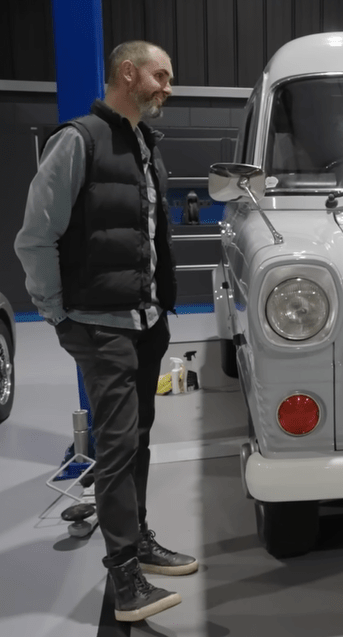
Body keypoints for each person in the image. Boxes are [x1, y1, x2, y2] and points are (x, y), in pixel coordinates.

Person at [15, 41, 197, 622]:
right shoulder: (79, 141)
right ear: (127, 72)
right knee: (117, 447)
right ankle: (125, 577)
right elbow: (35, 237)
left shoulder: (144, 144)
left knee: (138, 436)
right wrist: (56, 314)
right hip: (98, 324)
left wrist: (159, 310)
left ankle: (138, 537)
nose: (168, 85)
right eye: (160, 75)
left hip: (143, 321)